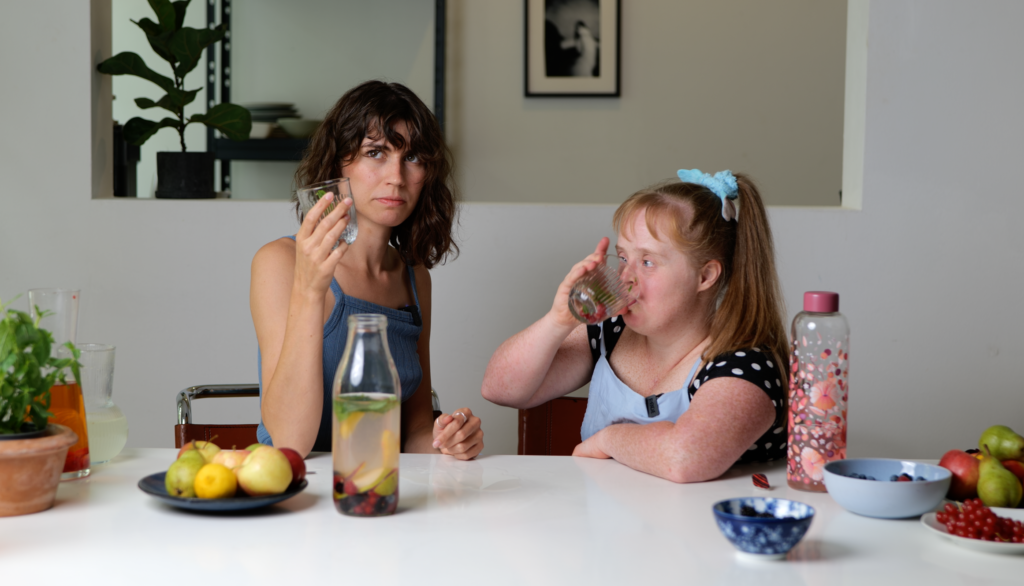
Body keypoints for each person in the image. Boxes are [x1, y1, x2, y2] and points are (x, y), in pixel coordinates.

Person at [481, 170, 788, 483]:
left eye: (648, 262)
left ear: (706, 276)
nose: (625, 277)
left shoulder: (747, 363)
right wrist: (558, 320)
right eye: (623, 256)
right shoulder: (610, 331)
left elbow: (684, 458)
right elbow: (500, 388)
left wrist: (608, 440)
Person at [251, 81, 483, 459]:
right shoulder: (280, 262)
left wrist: (448, 441)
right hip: (297, 491)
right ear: (338, 164)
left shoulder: (414, 276)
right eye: (375, 152)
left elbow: (414, 432)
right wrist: (310, 290)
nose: (396, 176)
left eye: (412, 158)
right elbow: (290, 442)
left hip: (379, 485)